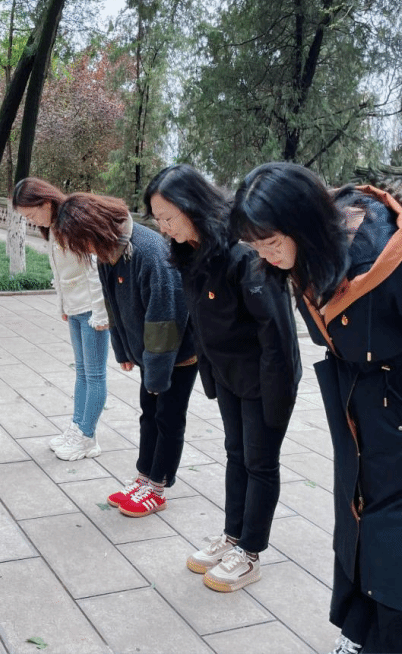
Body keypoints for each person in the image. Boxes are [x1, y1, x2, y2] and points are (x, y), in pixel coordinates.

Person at [230, 162, 402, 654]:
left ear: (303, 223)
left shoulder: (396, 264)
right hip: (370, 415)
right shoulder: (312, 255)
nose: (266, 256)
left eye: (271, 242)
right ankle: (364, 633)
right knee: (364, 528)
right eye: (255, 246)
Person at [143, 163, 301, 593]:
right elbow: (201, 321)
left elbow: (277, 333)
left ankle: (250, 553)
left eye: (169, 217)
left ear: (192, 205)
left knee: (260, 462)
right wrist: (211, 377)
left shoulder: (242, 254)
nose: (164, 228)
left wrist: (278, 395)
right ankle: (233, 536)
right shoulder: (190, 253)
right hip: (229, 375)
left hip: (264, 377)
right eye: (158, 220)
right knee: (236, 453)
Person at [53, 191, 198, 516]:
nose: (84, 250)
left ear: (93, 229)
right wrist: (124, 351)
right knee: (149, 414)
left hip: (176, 354)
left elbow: (165, 319)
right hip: (151, 353)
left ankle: (157, 488)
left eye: (81, 242)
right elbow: (112, 304)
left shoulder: (149, 252)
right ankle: (144, 478)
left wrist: (156, 376)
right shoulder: (110, 249)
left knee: (168, 419)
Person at [12, 178, 110, 461]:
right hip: (76, 308)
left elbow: (95, 269)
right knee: (82, 372)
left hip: (92, 310)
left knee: (95, 375)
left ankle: (88, 438)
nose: (31, 221)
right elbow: (58, 271)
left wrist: (100, 315)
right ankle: (77, 428)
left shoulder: (74, 222)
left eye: (31, 214)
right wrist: (62, 306)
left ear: (45, 202)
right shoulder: (53, 227)